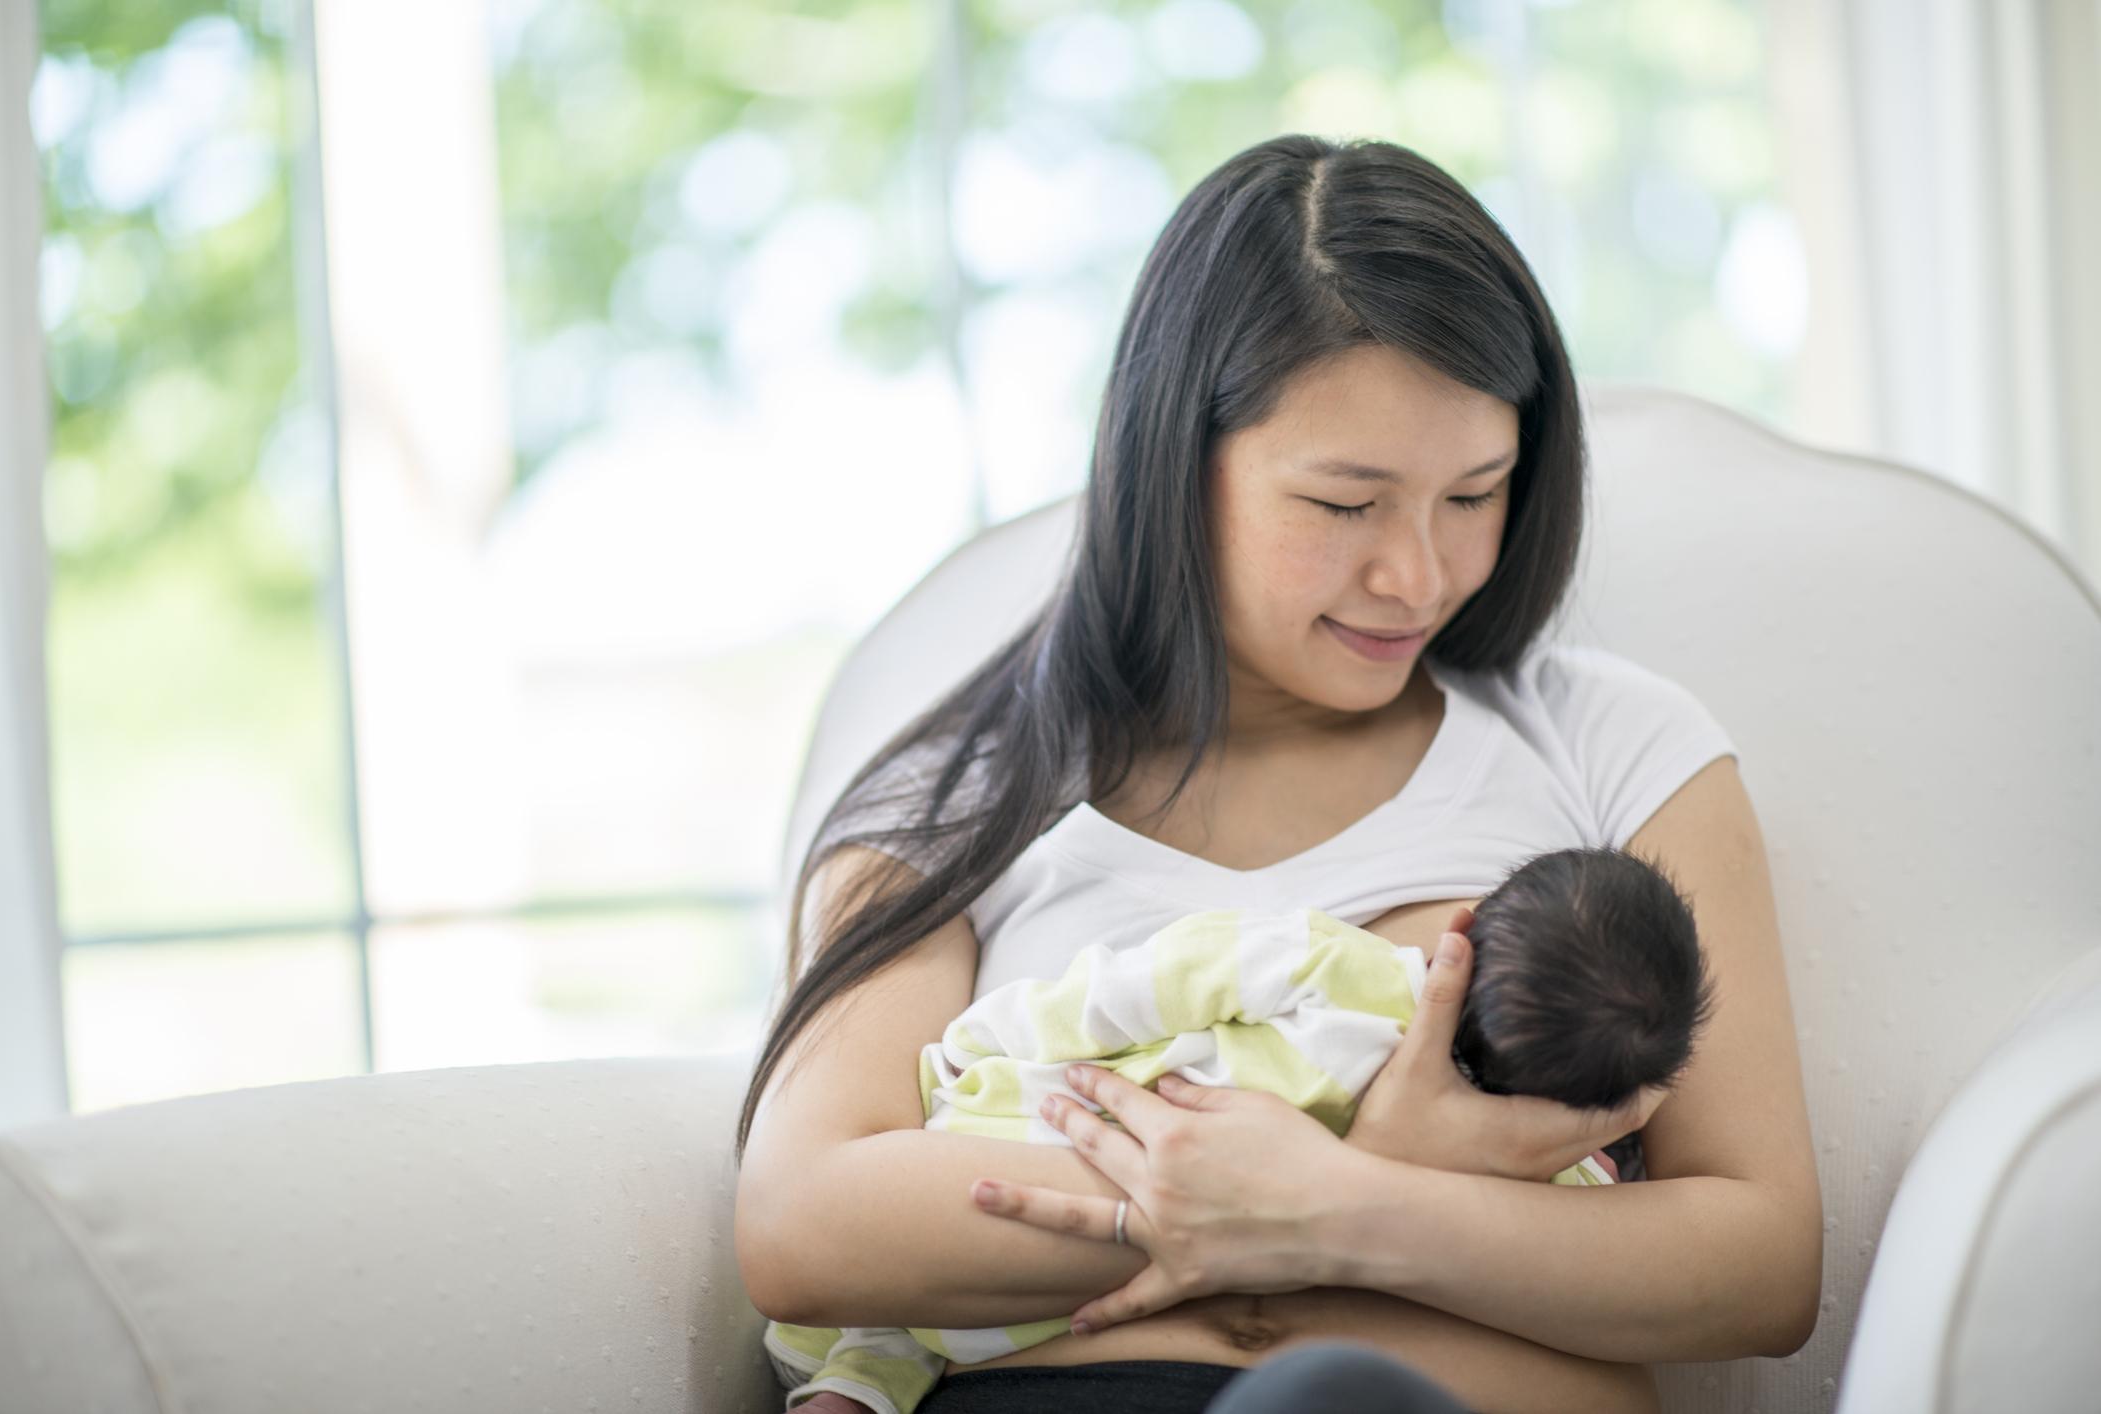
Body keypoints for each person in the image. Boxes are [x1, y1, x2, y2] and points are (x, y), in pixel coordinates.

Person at [732, 132, 1822, 1414]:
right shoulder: (958, 797)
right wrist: (1348, 1163)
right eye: (1345, 505)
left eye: (1476, 493)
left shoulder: (1613, 746)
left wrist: (1344, 1209)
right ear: (1172, 469)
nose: (1416, 575)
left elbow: (1761, 1263)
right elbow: (806, 1221)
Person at [763, 847, 1716, 1414]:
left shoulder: (1605, 751)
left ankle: (867, 1371)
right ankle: (867, 1369)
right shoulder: (1328, 970)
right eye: (1342, 499)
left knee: (915, 1334)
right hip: (1045, 1236)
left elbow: (1755, 1282)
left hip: (1052, 1294)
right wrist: (985, 1052)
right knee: (917, 1320)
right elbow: (1150, 985)